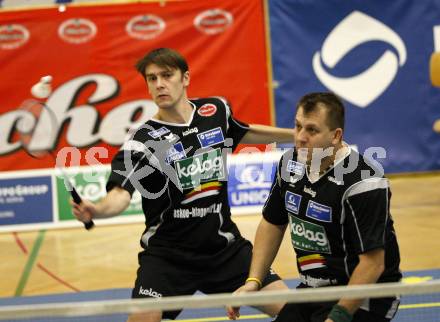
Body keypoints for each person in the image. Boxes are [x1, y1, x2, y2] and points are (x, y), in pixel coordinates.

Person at [71, 47, 294, 322]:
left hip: (224, 248)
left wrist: (297, 136)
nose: (159, 84)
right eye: (152, 79)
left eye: (166, 75)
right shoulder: (142, 141)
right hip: (167, 256)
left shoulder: (215, 110)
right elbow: (119, 194)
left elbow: (243, 131)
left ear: (185, 78)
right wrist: (97, 210)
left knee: (292, 312)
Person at [228, 92, 402, 322]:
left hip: (366, 296)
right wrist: (254, 281)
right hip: (314, 290)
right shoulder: (289, 163)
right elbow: (273, 223)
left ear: (335, 135)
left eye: (311, 130)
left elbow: (373, 264)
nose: (300, 137)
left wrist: (337, 317)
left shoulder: (363, 182)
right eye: (297, 126)